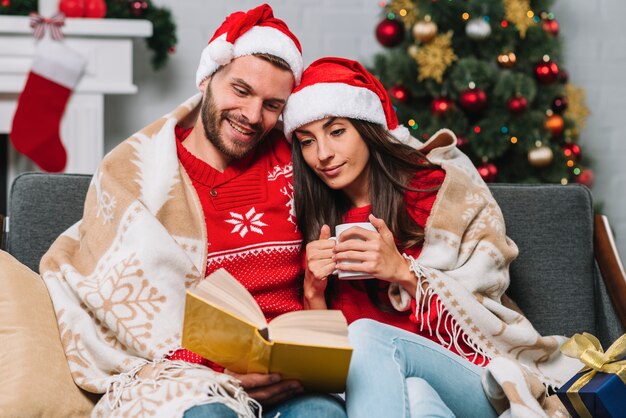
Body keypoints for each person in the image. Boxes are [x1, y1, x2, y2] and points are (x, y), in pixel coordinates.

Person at [38, 5, 345, 418]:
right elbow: (127, 307)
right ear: (206, 79)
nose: (253, 116)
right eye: (241, 90)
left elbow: (383, 155)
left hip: (295, 377)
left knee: (320, 416)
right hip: (191, 376)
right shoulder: (140, 174)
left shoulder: (301, 159)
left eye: (272, 105)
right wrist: (220, 372)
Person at [282, 57, 582, 417]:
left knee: (367, 334)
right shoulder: (323, 221)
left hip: (475, 379)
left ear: (367, 127)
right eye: (307, 141)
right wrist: (314, 290)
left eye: (337, 131)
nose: (323, 154)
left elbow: (482, 309)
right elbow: (332, 369)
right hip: (393, 392)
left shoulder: (435, 196)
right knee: (418, 395)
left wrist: (403, 272)